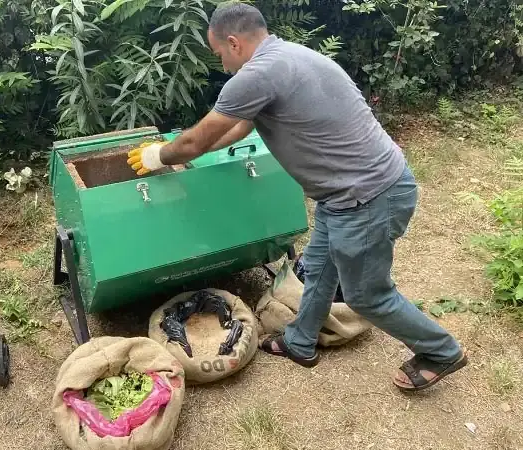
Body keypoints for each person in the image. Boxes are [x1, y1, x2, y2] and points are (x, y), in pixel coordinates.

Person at [126, 2, 467, 391]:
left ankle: (442, 350)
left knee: (367, 296)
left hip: (368, 197)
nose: (220, 61)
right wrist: (190, 150)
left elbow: (195, 141)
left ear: (233, 42)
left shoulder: (255, 75)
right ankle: (300, 342)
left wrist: (159, 155)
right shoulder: (290, 56)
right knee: (320, 269)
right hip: (343, 196)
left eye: (218, 52)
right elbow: (237, 129)